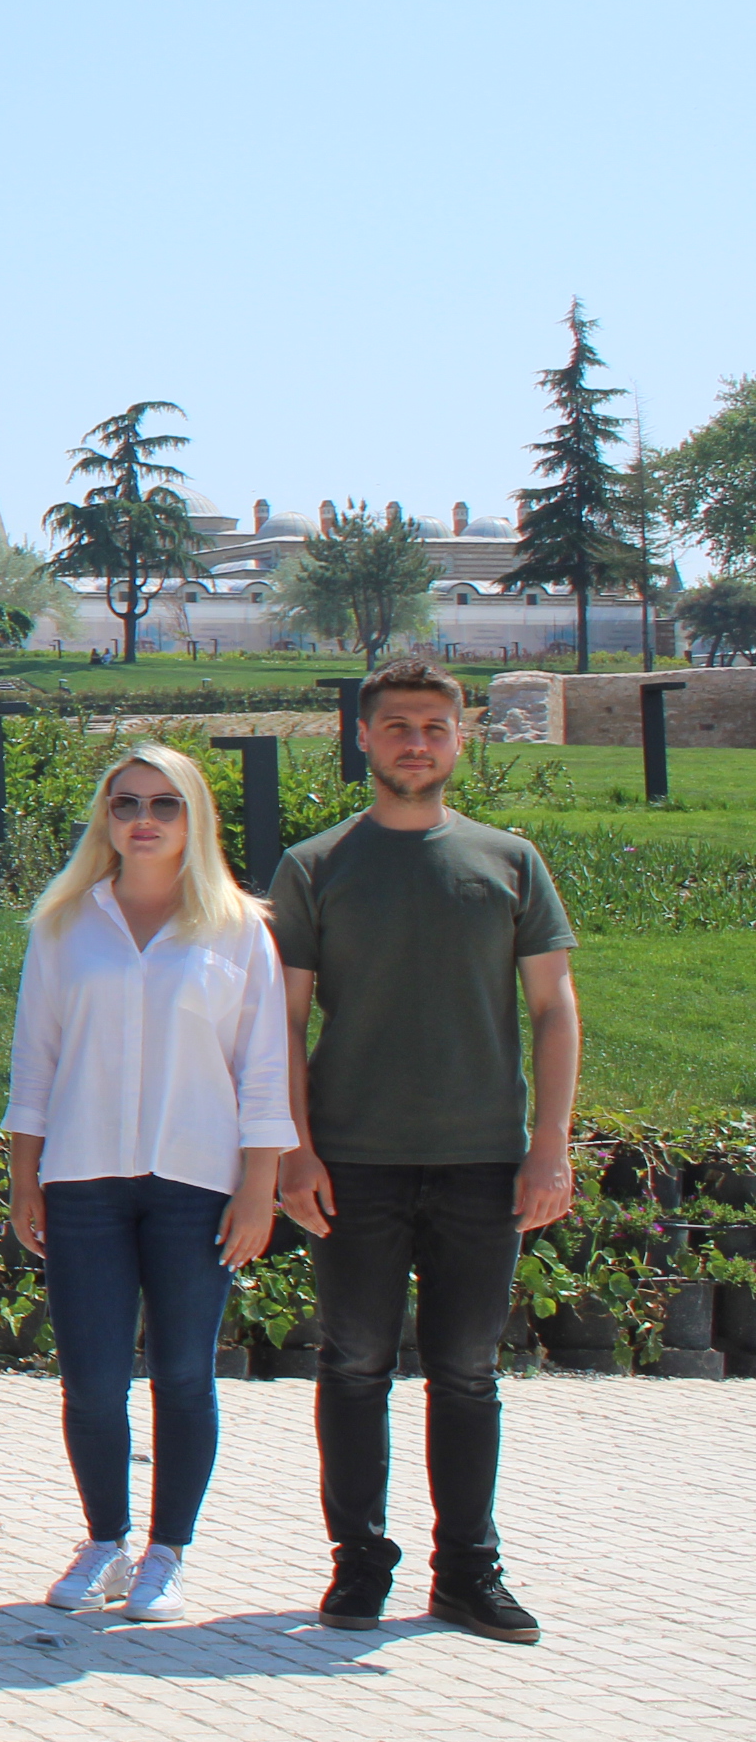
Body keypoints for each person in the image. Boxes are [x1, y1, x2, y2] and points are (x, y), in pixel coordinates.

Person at [271, 657, 576, 1644]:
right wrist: (296, 1152)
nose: (415, 742)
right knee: (354, 1365)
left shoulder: (510, 860)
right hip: (352, 1159)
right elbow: (284, 1021)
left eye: (434, 726)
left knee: (468, 1371)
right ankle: (359, 1566)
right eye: (396, 725)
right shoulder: (316, 866)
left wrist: (549, 1148)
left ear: (461, 736)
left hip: (483, 1158)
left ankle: (466, 1572)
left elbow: (554, 1008)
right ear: (363, 737)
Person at [6, 742, 290, 1623]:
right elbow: (35, 1062)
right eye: (126, 802)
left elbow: (265, 1068)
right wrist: (24, 1180)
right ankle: (104, 1539)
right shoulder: (65, 926)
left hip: (195, 1183)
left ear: (193, 818)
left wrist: (258, 1188)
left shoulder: (239, 929)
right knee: (90, 1377)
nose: (144, 820)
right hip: (84, 1179)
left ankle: (167, 1549)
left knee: (181, 1373)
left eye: (165, 805)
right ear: (106, 816)